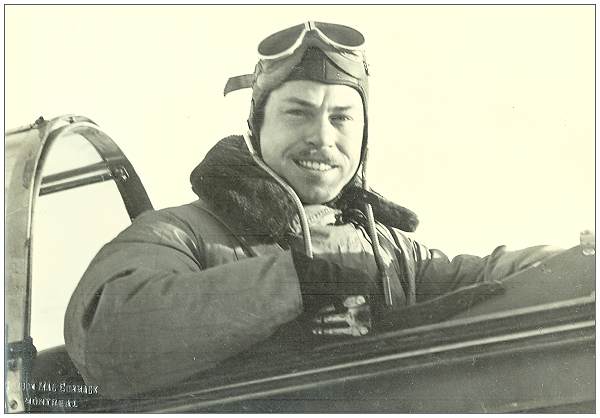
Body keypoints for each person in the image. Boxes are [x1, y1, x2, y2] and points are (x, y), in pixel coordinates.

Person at [64, 21, 558, 398]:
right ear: (256, 128)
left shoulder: (390, 251)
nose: (323, 138)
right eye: (297, 112)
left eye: (341, 117)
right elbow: (106, 337)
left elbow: (489, 274)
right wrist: (294, 281)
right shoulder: (180, 233)